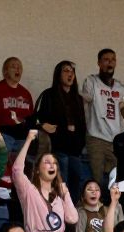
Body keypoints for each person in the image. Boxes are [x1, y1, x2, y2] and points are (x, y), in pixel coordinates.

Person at [80, 49, 124, 186]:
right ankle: (97, 206)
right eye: (106, 60)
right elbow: (85, 99)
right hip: (95, 137)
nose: (110, 63)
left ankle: (113, 206)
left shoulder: (120, 87)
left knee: (118, 179)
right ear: (99, 63)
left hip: (115, 140)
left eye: (113, 60)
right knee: (96, 179)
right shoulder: (91, 81)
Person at [35, 61, 86, 190]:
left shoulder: (78, 98)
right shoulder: (49, 94)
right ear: (58, 74)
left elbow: (82, 124)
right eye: (66, 71)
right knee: (61, 181)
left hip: (75, 148)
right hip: (58, 146)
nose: (70, 74)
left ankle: (71, 208)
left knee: (77, 181)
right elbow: (39, 118)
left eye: (72, 71)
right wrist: (45, 126)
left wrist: (81, 143)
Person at [0, 57, 33, 153]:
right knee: (3, 165)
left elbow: (31, 118)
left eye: (20, 67)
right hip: (3, 134)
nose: (17, 69)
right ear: (5, 71)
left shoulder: (26, 93)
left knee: (22, 166)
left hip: (23, 137)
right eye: (13, 67)